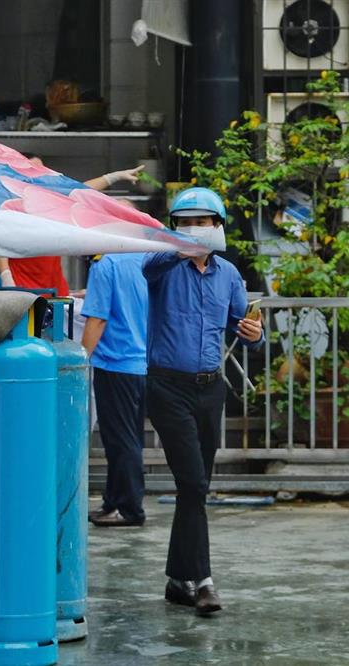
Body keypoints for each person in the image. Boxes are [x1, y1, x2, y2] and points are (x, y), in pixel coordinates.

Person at [143, 187, 263, 616]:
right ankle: (205, 582)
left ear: (219, 226)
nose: (194, 228)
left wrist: (254, 333)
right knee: (193, 482)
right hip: (166, 386)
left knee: (194, 489)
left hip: (210, 388)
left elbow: (240, 323)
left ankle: (179, 579)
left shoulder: (228, 274)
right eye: (185, 222)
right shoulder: (162, 264)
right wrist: (178, 247)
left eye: (203, 222)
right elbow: (148, 267)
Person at [0, 153, 144, 293]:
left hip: (54, 291)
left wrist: (114, 177)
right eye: (34, 169)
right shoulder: (12, 205)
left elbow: (81, 191)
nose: (40, 173)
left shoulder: (48, 201)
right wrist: (7, 277)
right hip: (22, 289)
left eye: (42, 169)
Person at [81, 252, 149, 527]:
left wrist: (80, 359)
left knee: (119, 440)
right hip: (144, 363)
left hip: (115, 363)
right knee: (130, 438)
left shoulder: (105, 265)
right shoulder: (146, 259)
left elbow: (98, 319)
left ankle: (129, 508)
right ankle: (113, 501)